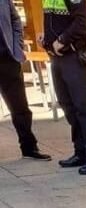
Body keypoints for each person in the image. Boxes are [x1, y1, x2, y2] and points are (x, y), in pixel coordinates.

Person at [40, 0, 86, 175]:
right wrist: (46, 38)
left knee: (84, 107)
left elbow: (83, 22)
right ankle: (81, 152)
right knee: (68, 106)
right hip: (58, 58)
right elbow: (55, 21)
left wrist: (62, 40)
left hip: (76, 56)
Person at [0, 0, 50, 160]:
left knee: (20, 107)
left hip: (7, 59)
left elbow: (16, 20)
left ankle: (29, 147)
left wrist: (17, 48)